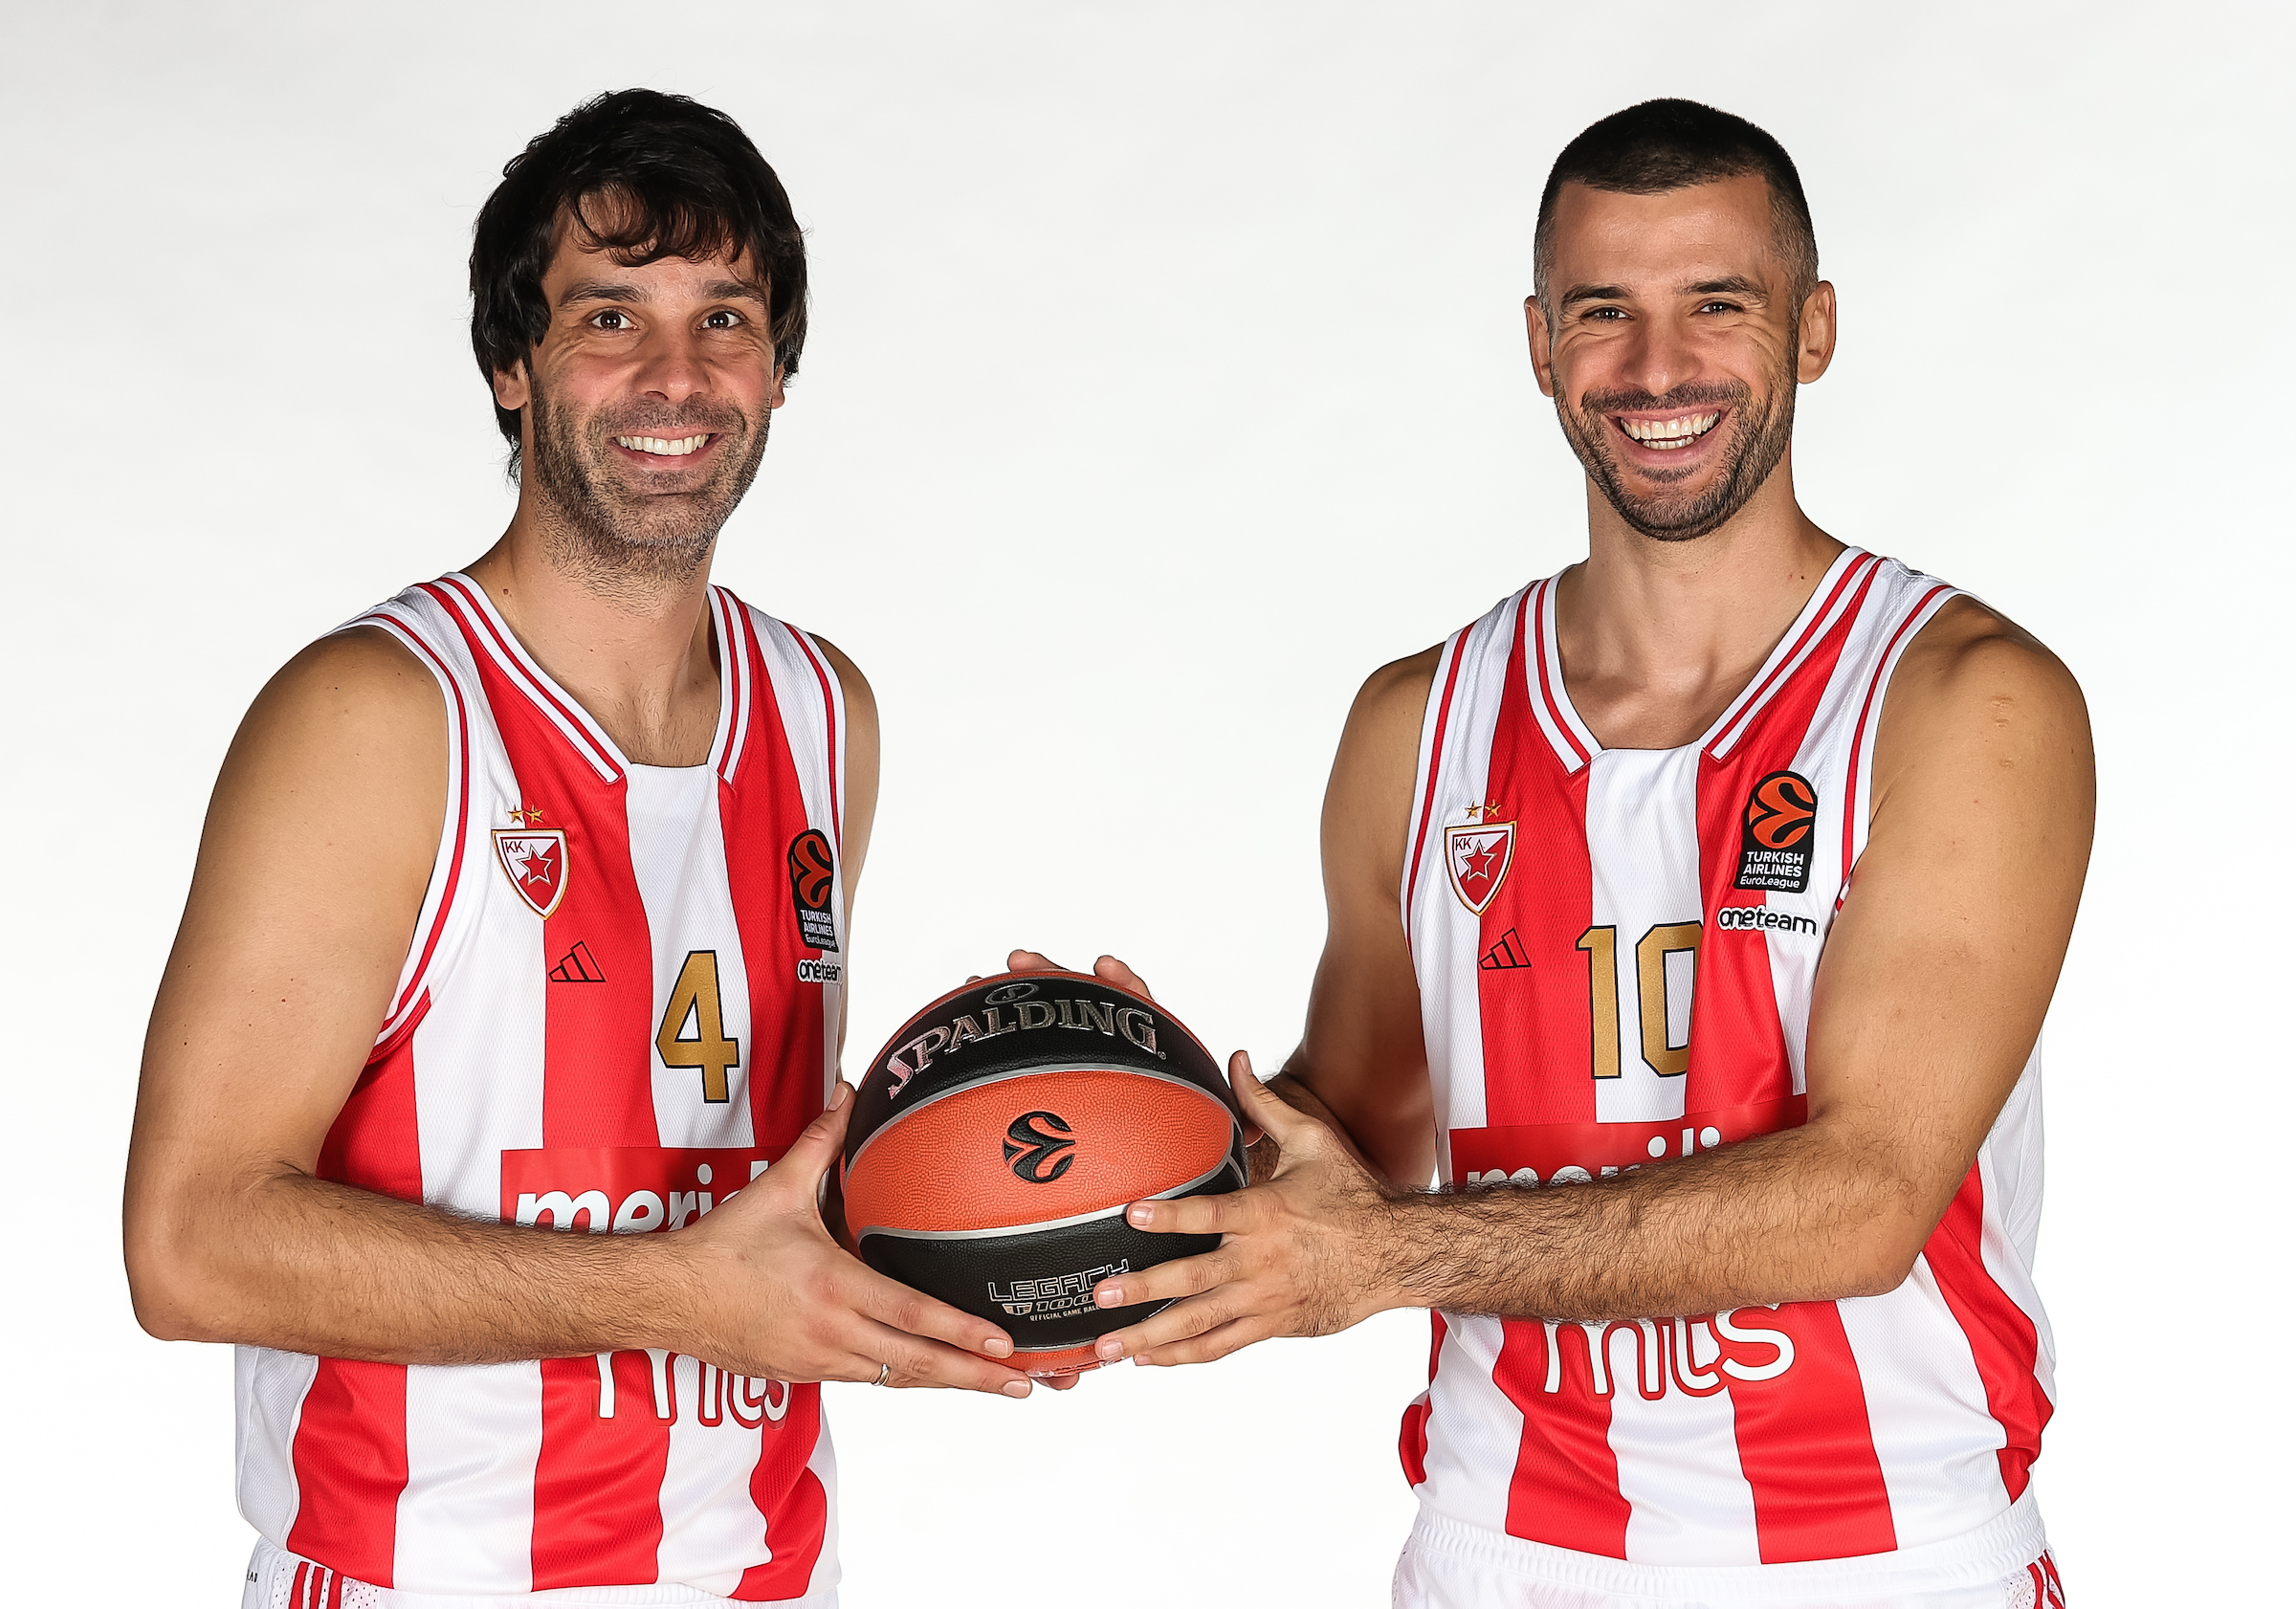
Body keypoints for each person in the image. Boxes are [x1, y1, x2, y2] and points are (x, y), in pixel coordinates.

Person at [1072, 100, 2090, 1608]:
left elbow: (1864, 1199)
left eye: (1717, 305)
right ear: (1541, 344)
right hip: (1502, 1551)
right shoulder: (1418, 725)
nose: (1657, 366)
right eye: (1604, 311)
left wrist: (1390, 1258)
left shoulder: (1961, 700)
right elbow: (1353, 1130)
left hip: (1878, 1560)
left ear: (1813, 329)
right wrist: (1120, 1123)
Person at [123, 89, 1038, 1609]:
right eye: (610, 316)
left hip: (762, 1573)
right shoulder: (379, 716)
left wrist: (1012, 1141)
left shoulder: (825, 713)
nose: (677, 375)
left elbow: (749, 1185)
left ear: (779, 367)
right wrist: (677, 1297)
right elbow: (189, 1243)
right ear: (512, 364)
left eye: (724, 318)